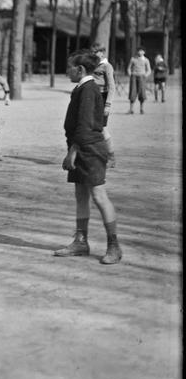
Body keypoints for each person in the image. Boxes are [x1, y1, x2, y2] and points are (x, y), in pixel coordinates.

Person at [54, 49, 121, 264]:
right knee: (81, 195)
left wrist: (72, 152)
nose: (67, 71)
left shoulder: (89, 90)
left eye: (69, 67)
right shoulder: (81, 88)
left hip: (90, 150)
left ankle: (114, 246)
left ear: (80, 69)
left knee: (99, 196)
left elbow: (84, 125)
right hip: (80, 148)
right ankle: (81, 242)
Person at [90, 44, 117, 168]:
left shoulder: (107, 66)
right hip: (93, 96)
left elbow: (112, 87)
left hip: (102, 98)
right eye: (92, 51)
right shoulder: (92, 64)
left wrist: (108, 105)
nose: (93, 54)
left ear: (102, 53)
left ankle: (111, 157)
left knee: (101, 128)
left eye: (96, 52)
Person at [126, 47, 151, 114]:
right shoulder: (133, 59)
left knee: (142, 93)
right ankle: (131, 109)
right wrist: (130, 74)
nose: (140, 52)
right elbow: (129, 68)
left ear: (144, 52)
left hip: (142, 77)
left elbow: (149, 70)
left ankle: (141, 109)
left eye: (141, 51)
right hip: (134, 77)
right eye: (139, 51)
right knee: (132, 92)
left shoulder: (146, 60)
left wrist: (145, 75)